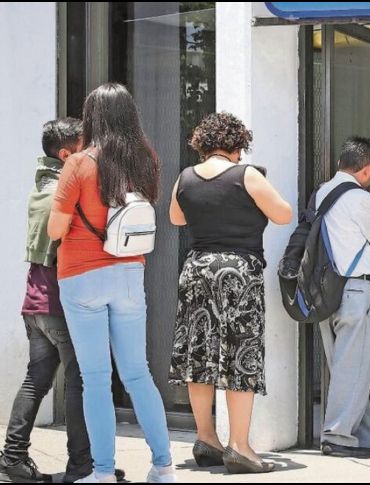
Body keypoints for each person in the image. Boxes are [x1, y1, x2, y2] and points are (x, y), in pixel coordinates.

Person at [47, 83, 174, 484]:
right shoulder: (145, 159)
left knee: (96, 379)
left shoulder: (79, 164)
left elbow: (55, 228)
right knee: (138, 374)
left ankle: (102, 473)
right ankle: (163, 466)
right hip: (129, 273)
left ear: (92, 117)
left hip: (82, 277)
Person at [0, 119, 125, 484]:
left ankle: (13, 458)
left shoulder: (42, 184)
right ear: (67, 153)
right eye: (85, 147)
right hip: (61, 301)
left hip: (36, 301)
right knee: (80, 381)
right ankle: (82, 466)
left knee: (36, 380)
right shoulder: (64, 188)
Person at [168, 112, 292, 474]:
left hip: (196, 269)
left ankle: (206, 438)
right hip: (237, 271)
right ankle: (240, 446)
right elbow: (283, 214)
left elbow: (177, 218)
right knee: (241, 354)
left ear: (203, 145)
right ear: (237, 144)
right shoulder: (246, 175)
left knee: (199, 354)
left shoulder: (185, 177)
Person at [317, 137, 370, 459]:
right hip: (354, 289)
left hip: (324, 290)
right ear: (367, 170)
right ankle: (337, 435)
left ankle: (364, 434)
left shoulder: (322, 193)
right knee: (355, 365)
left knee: (345, 365)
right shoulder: (360, 199)